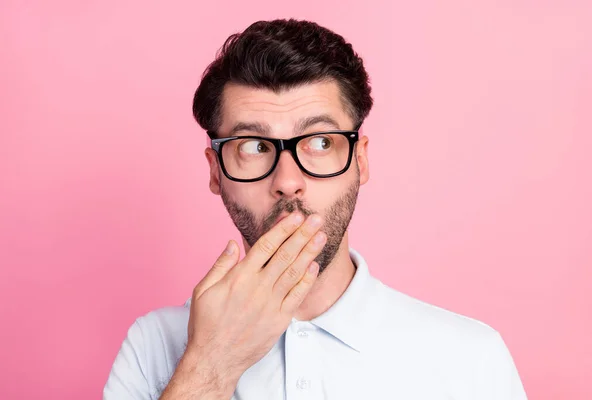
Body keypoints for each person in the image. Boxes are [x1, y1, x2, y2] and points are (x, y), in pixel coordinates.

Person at [103, 18, 528, 400]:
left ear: (359, 161)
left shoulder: (470, 357)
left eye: (321, 142)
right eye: (253, 146)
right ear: (216, 171)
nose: (288, 180)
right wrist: (211, 367)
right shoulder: (154, 345)